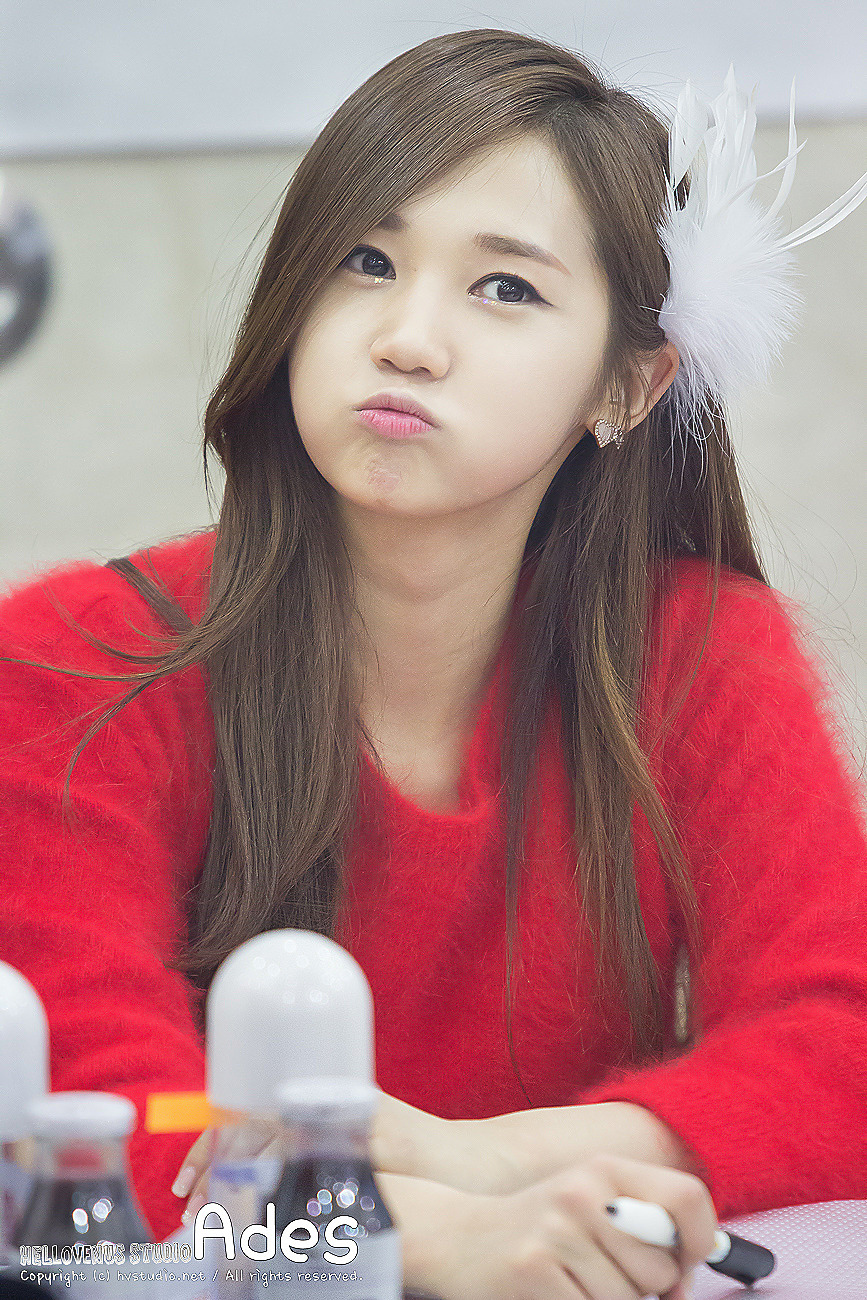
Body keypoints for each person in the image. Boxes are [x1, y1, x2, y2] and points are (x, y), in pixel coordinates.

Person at [2, 27, 866, 1300]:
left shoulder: (699, 655)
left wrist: (485, 1159)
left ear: (628, 388)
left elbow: (840, 1044)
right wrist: (426, 1236)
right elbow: (89, 1128)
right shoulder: (77, 661)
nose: (407, 339)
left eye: (505, 288)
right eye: (366, 261)